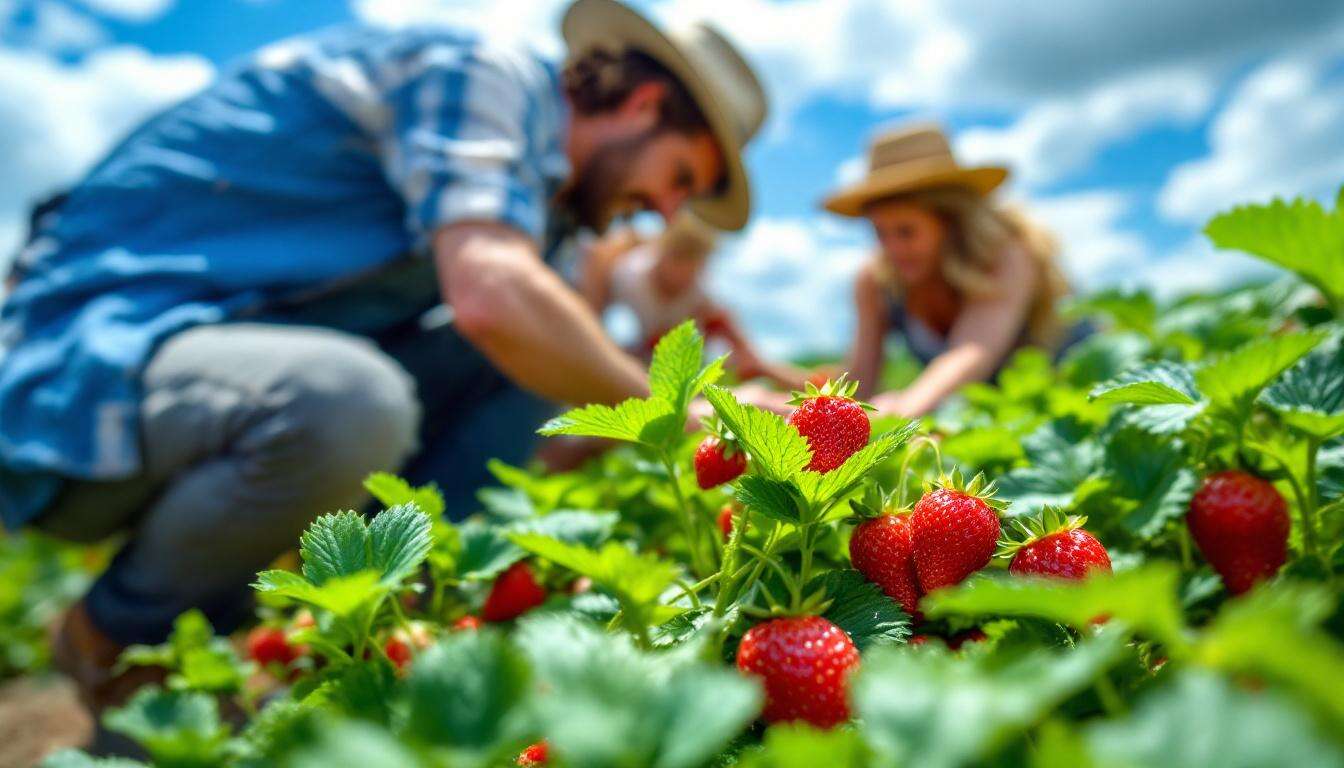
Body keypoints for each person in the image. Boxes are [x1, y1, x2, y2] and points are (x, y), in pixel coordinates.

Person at [0, 0, 766, 715]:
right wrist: (681, 416)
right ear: (643, 106)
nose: (670, 214)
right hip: (84, 373)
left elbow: (546, 378)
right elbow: (492, 298)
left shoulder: (543, 216)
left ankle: (384, 639)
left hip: (217, 382)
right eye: (680, 179)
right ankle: (114, 637)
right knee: (352, 404)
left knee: (538, 369)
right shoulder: (481, 71)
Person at [821, 123, 1088, 417]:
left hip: (1072, 399)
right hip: (990, 419)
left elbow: (971, 351)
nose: (893, 249)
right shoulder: (876, 280)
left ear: (951, 222)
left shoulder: (1009, 254)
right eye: (880, 233)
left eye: (906, 232)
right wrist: (776, 386)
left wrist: (900, 412)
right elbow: (859, 386)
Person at [579, 212, 801, 385]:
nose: (685, 275)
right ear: (663, 251)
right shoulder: (630, 274)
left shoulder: (699, 292)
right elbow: (592, 315)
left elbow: (741, 345)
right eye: (679, 260)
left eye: (696, 266)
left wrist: (790, 377)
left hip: (659, 354)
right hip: (632, 350)